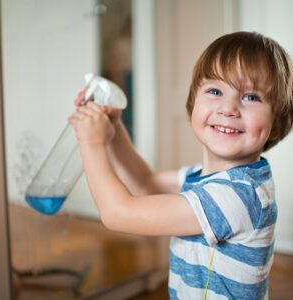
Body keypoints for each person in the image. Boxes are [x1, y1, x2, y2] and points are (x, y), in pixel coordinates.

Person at [69, 32, 293, 299]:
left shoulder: (238, 196)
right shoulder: (206, 177)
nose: (228, 108)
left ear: (277, 119)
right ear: (193, 103)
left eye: (251, 97)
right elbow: (145, 183)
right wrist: (114, 128)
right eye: (215, 91)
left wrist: (91, 143)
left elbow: (118, 213)